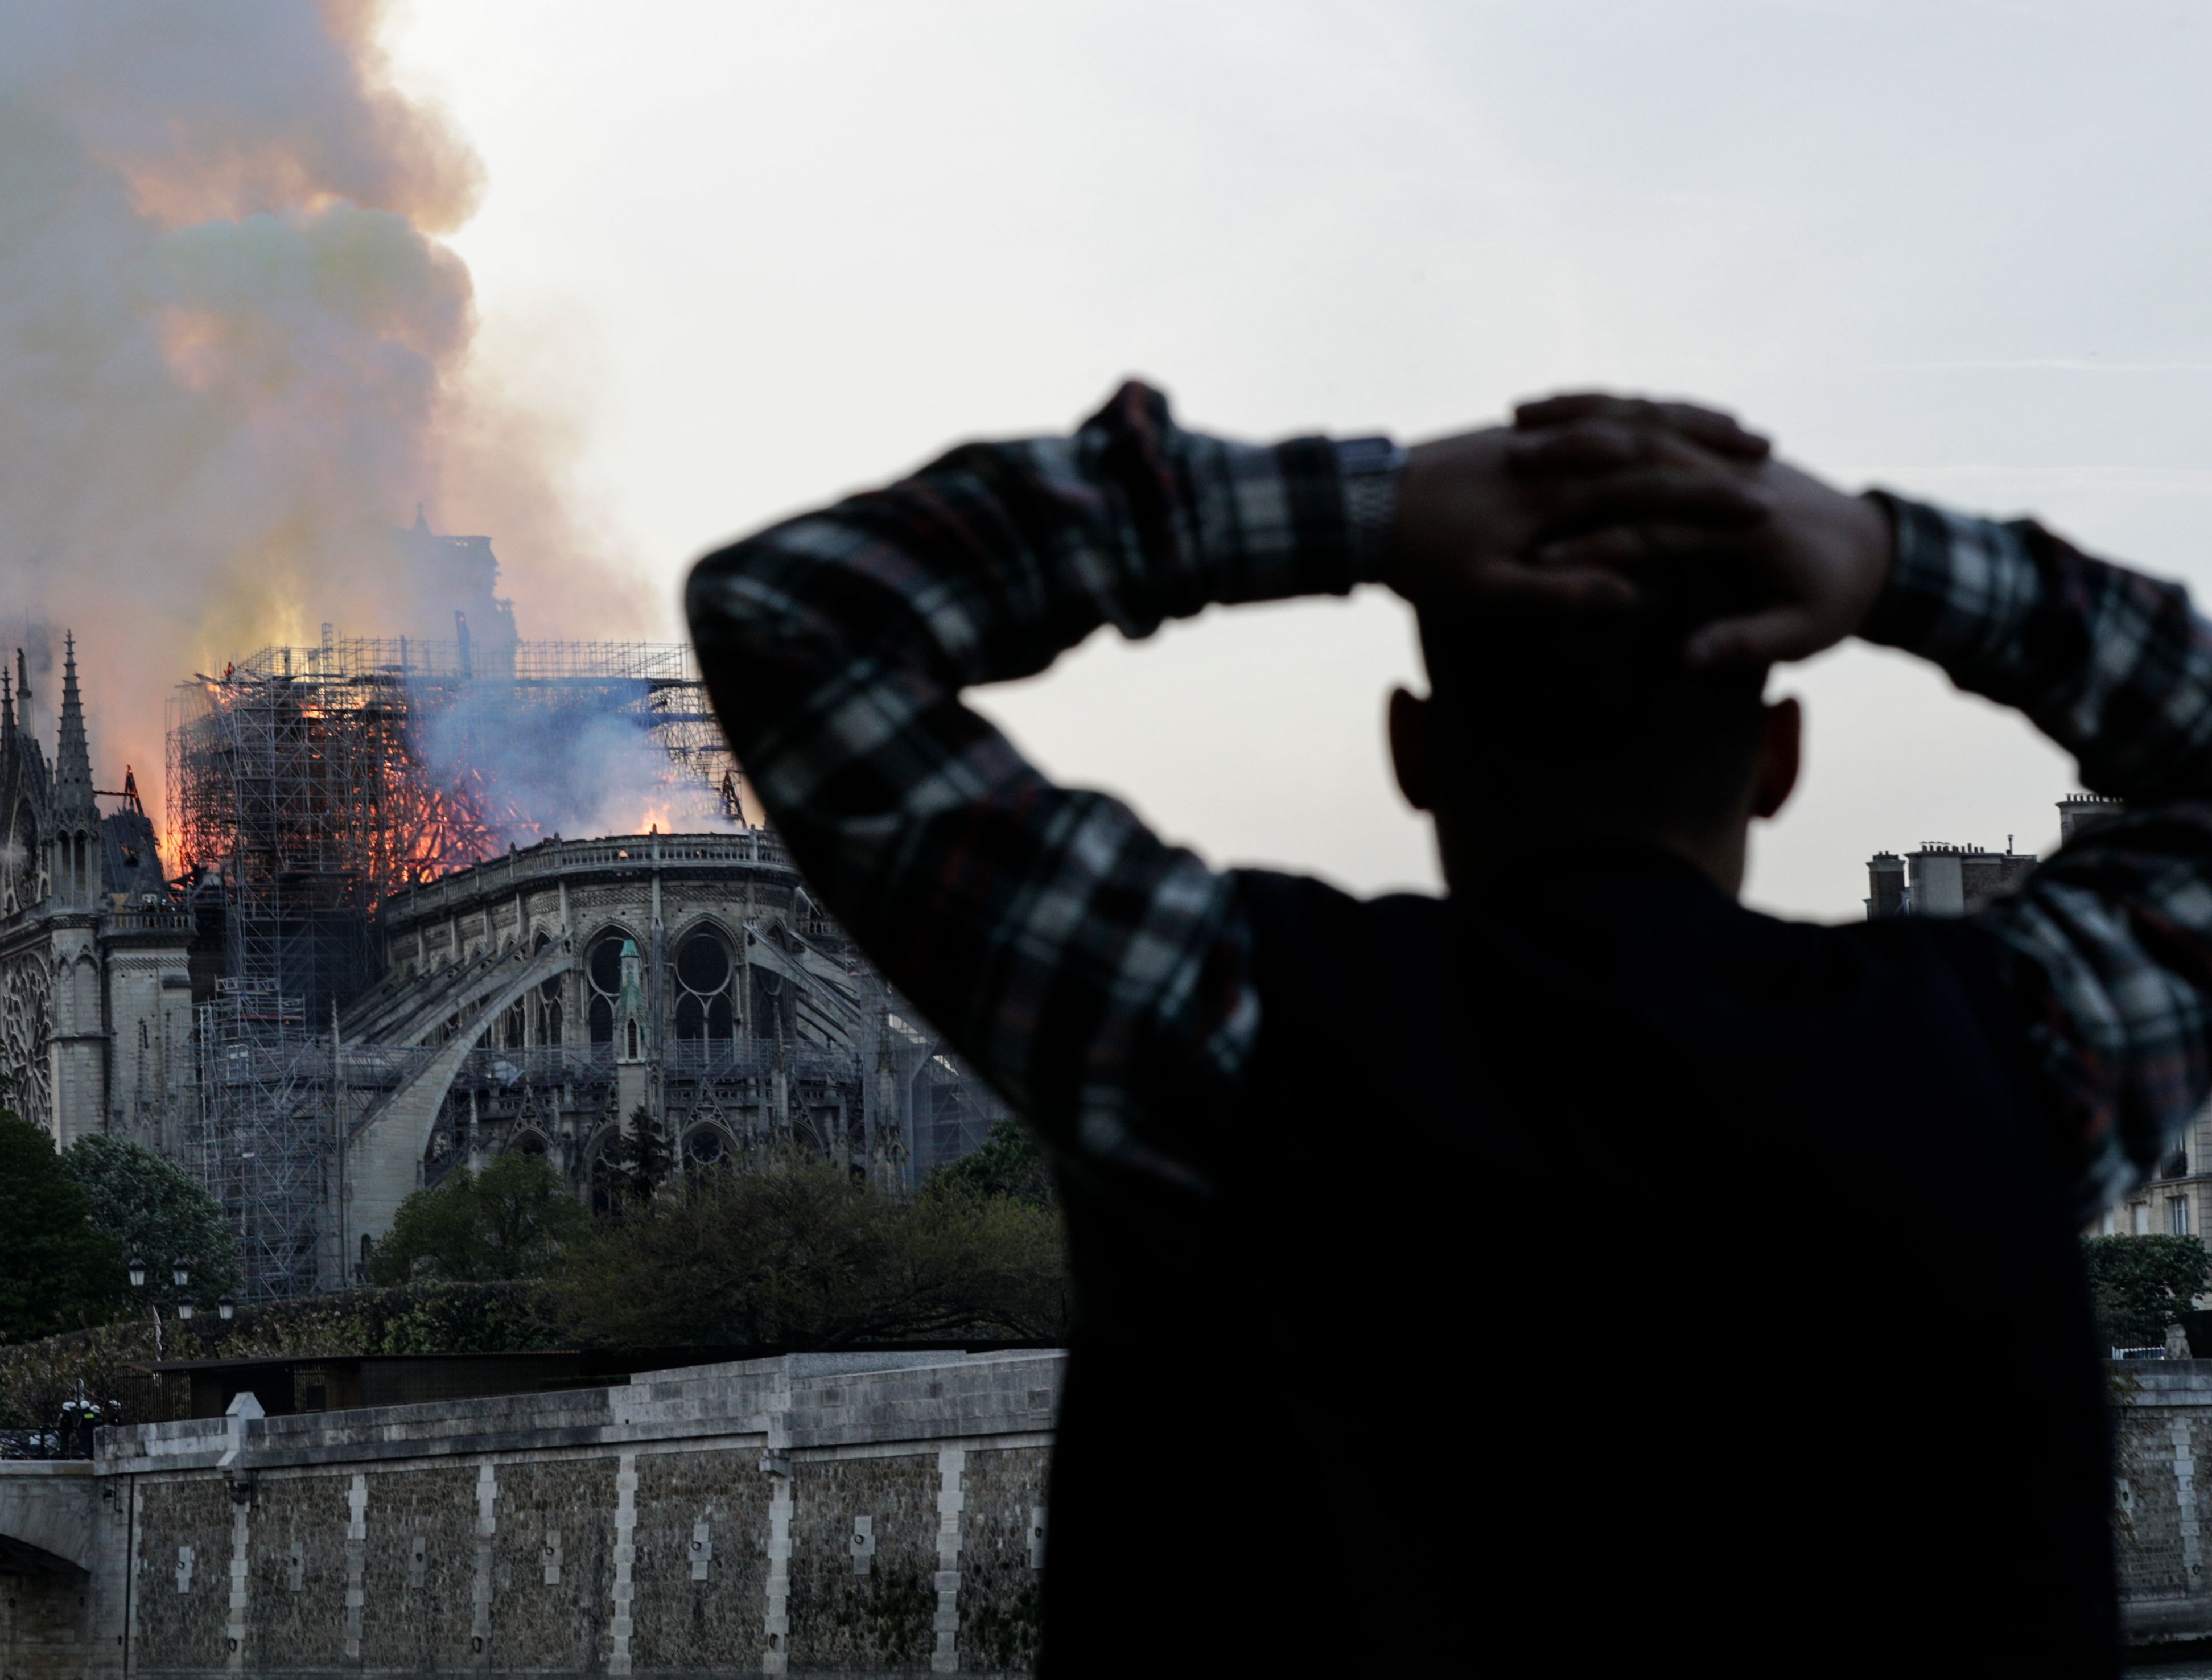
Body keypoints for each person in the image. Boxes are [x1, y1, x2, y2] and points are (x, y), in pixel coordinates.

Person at [685, 384, 2209, 1673]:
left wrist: (1368, 508)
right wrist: (1892, 560)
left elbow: (796, 610)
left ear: (1411, 749)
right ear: (1781, 760)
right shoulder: (2016, 1060)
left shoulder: (1216, 1024)